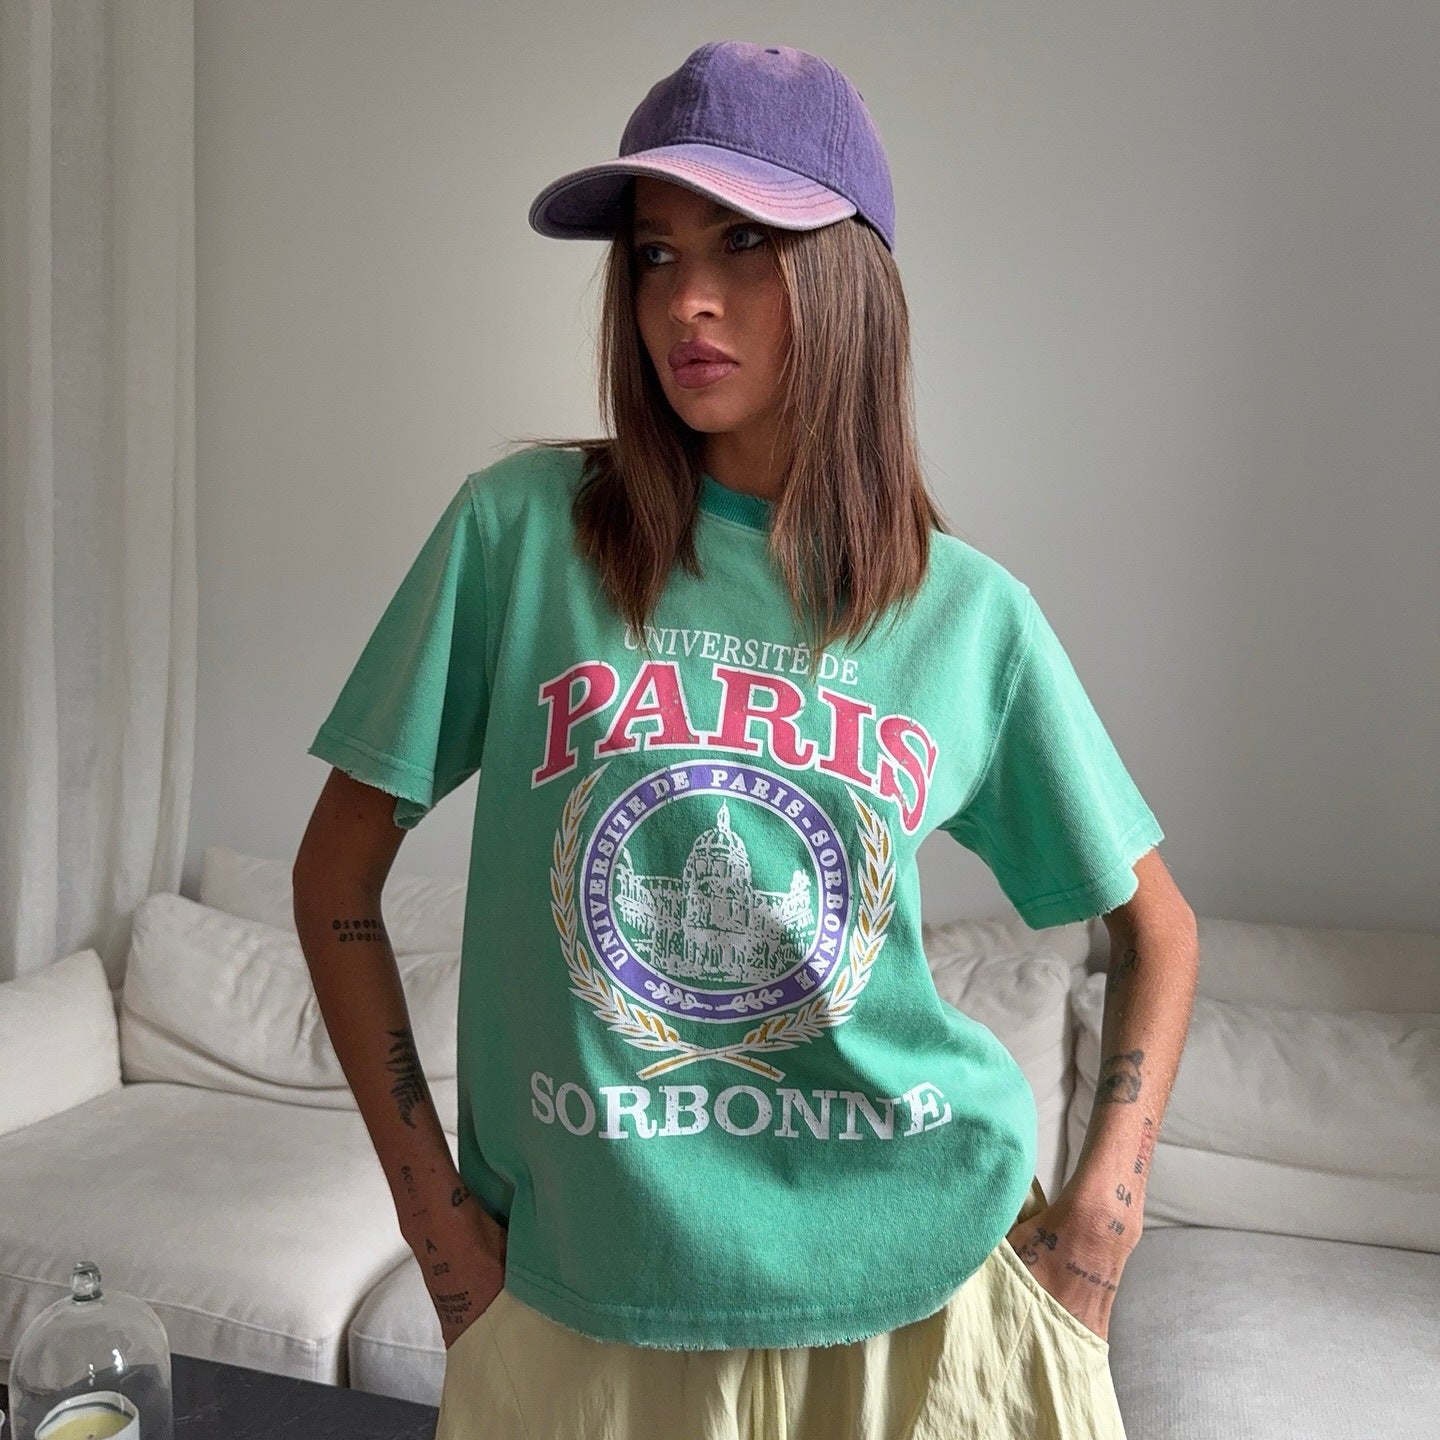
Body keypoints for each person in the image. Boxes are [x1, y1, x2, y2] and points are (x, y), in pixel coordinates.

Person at [294, 39, 1169, 1440]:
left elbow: (1156, 931)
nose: (684, 301)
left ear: (850, 277)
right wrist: (434, 1222)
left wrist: (1101, 1229)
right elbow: (335, 876)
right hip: (581, 1295)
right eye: (654, 254)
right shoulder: (522, 538)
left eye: (745, 244)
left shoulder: (963, 614)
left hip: (922, 1292)